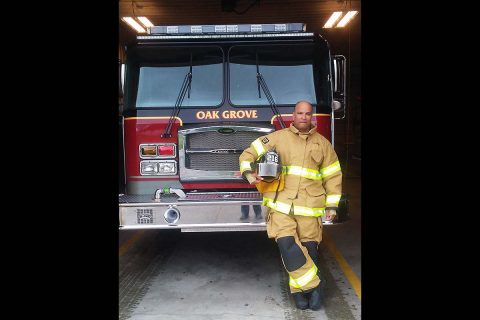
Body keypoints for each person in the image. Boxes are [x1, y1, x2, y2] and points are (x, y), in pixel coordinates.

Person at [239, 100, 342, 310]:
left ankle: (300, 291)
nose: (303, 117)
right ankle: (316, 284)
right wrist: (249, 173)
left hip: (310, 208)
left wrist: (332, 206)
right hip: (280, 206)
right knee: (289, 247)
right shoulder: (276, 139)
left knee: (309, 251)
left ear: (311, 116)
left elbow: (333, 177)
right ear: (292, 115)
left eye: (307, 114)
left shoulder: (323, 145)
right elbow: (247, 154)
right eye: (300, 113)